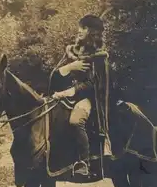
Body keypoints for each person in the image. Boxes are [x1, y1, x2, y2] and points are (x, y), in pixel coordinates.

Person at [48, 14, 113, 176]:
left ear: (91, 32)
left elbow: (95, 85)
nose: (79, 30)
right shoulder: (71, 51)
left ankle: (84, 162)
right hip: (67, 95)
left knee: (76, 121)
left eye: (83, 28)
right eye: (80, 26)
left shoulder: (99, 56)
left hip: (88, 98)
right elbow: (53, 77)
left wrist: (71, 91)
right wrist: (71, 67)